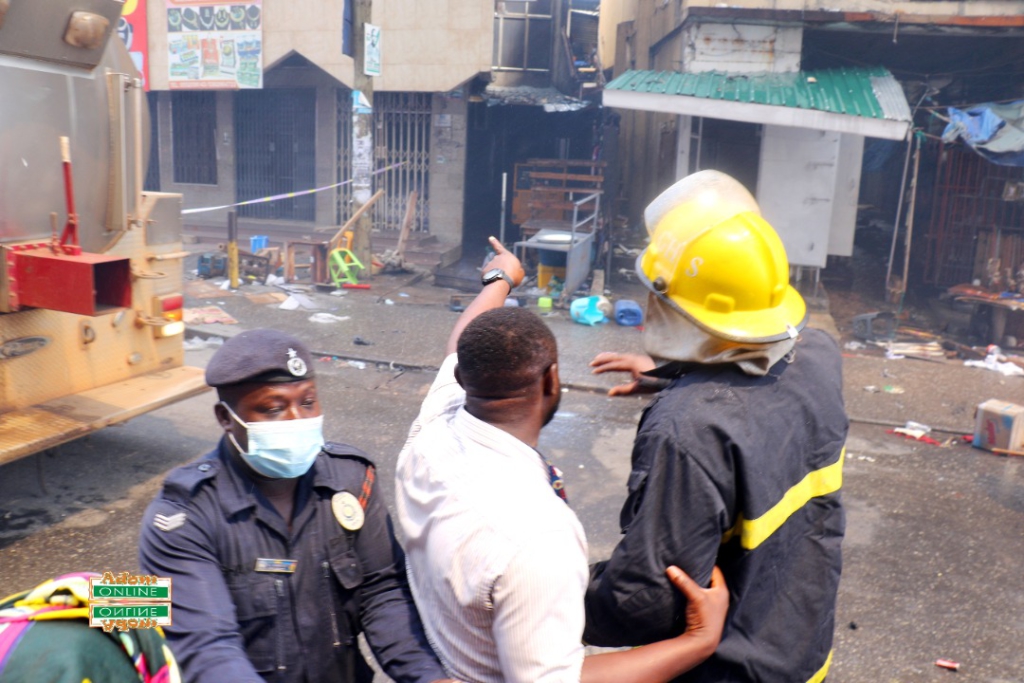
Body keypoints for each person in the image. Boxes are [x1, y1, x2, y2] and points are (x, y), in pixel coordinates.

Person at [395, 236, 729, 683]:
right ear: (552, 380)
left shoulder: (435, 425)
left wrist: (501, 277)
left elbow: (461, 343)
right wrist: (696, 642)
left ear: (460, 378)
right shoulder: (536, 536)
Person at [583, 171, 849, 682]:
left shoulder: (688, 431)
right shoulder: (818, 354)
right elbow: (759, 401)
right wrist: (678, 375)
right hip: (800, 655)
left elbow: (647, 599)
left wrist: (545, 605)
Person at [139, 328, 453, 683]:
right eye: (273, 409)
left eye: (307, 402)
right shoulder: (185, 516)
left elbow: (381, 591)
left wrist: (426, 675)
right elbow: (208, 648)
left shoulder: (350, 479)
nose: (297, 420)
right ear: (226, 418)